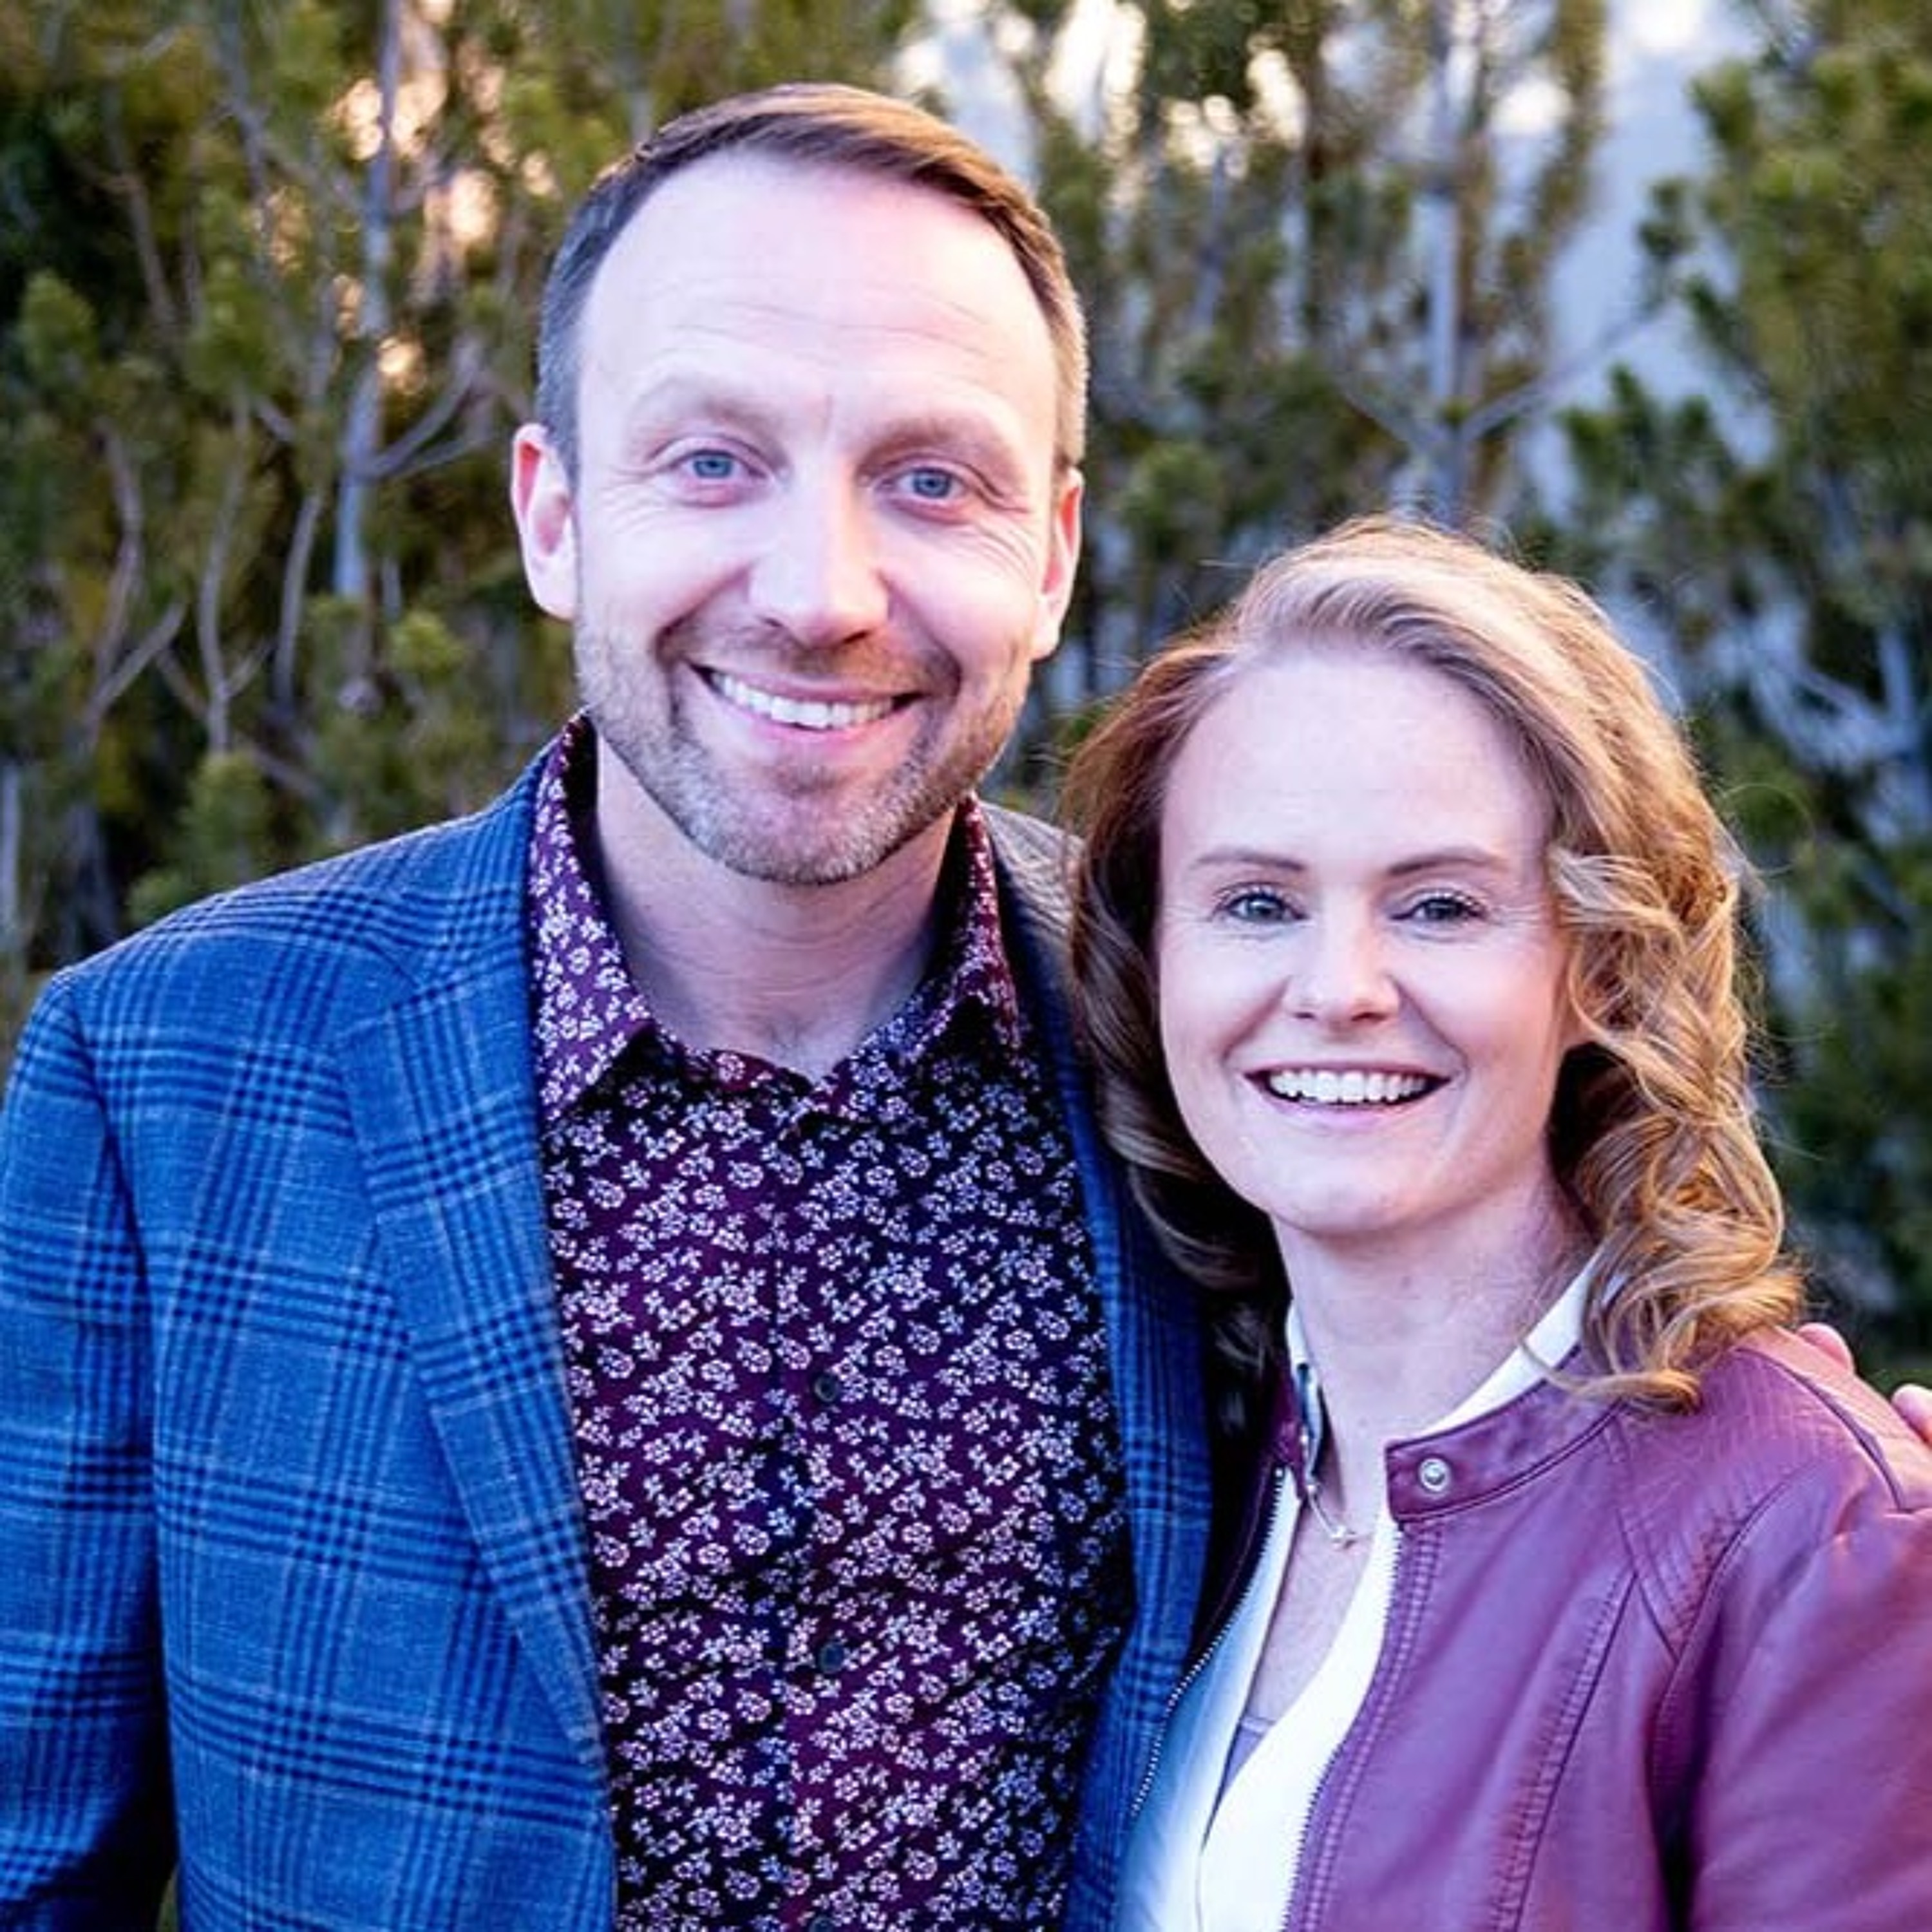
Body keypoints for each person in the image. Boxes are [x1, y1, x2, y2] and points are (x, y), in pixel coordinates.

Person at [0, 84, 1216, 1931]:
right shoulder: (163, 1080)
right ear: (554, 515)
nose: (821, 596)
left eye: (930, 480)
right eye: (713, 462)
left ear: (1047, 557)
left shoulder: (1208, 1040)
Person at [1064, 515, 1932, 1931]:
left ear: (1603, 967)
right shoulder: (1190, 1462)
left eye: (1441, 907)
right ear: (1154, 957)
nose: (1339, 987)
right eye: (1259, 902)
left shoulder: (1806, 1529)